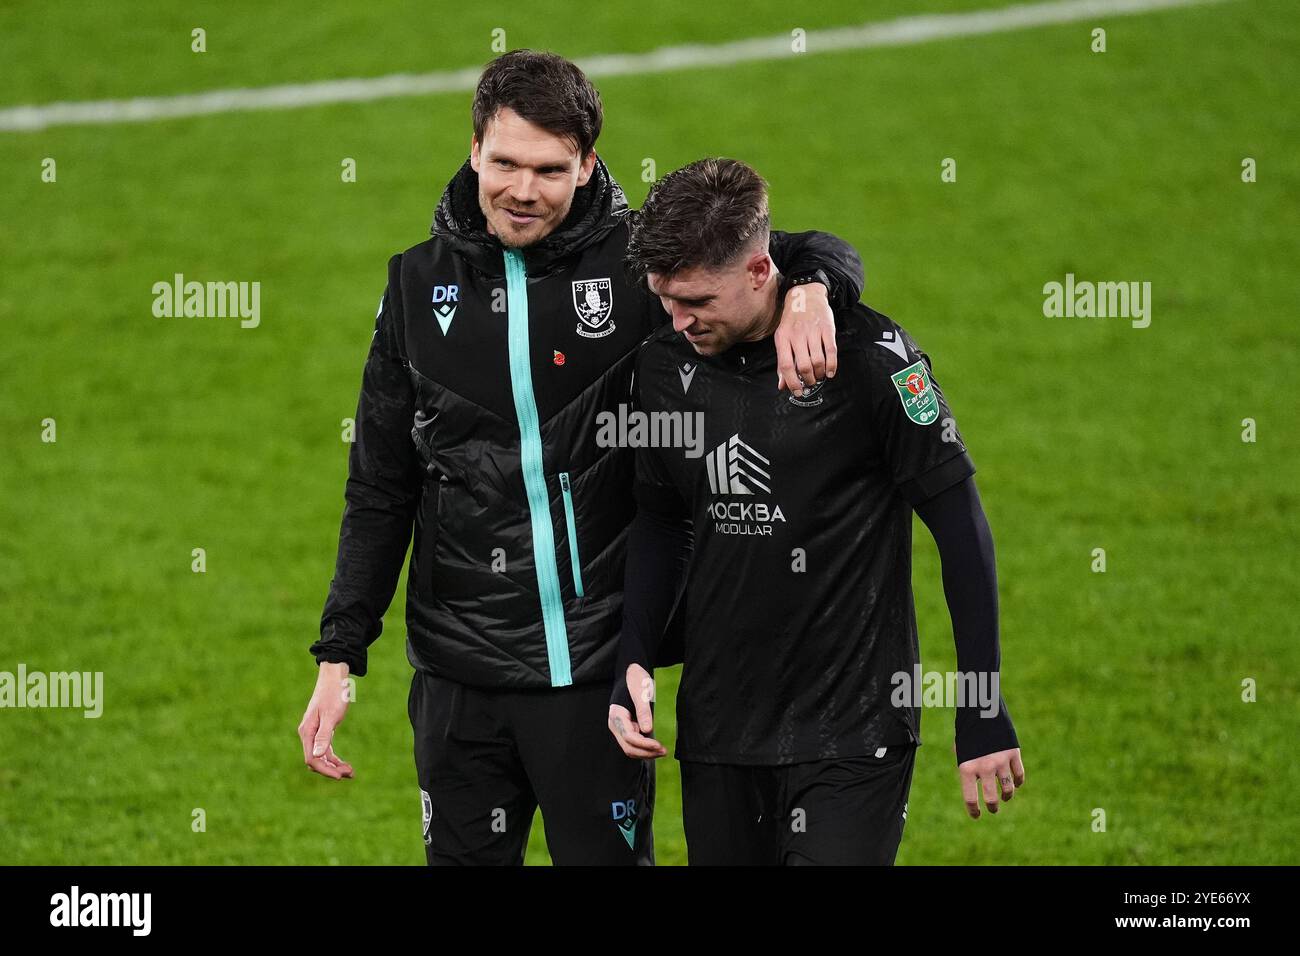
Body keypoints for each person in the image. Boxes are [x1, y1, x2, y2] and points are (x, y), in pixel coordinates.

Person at [297, 51, 866, 866]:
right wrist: (339, 653)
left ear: (589, 164)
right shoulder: (415, 290)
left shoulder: (640, 267)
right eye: (505, 164)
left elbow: (807, 252)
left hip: (594, 678)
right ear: (473, 150)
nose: (522, 190)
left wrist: (812, 292)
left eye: (549, 170)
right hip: (458, 683)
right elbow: (381, 485)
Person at [609, 157, 1024, 865]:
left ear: (759, 271)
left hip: (855, 732)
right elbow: (660, 521)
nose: (677, 320)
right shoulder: (660, 366)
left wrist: (982, 705)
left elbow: (961, 530)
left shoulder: (873, 361)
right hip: (718, 732)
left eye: (697, 302)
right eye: (666, 299)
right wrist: (633, 657)